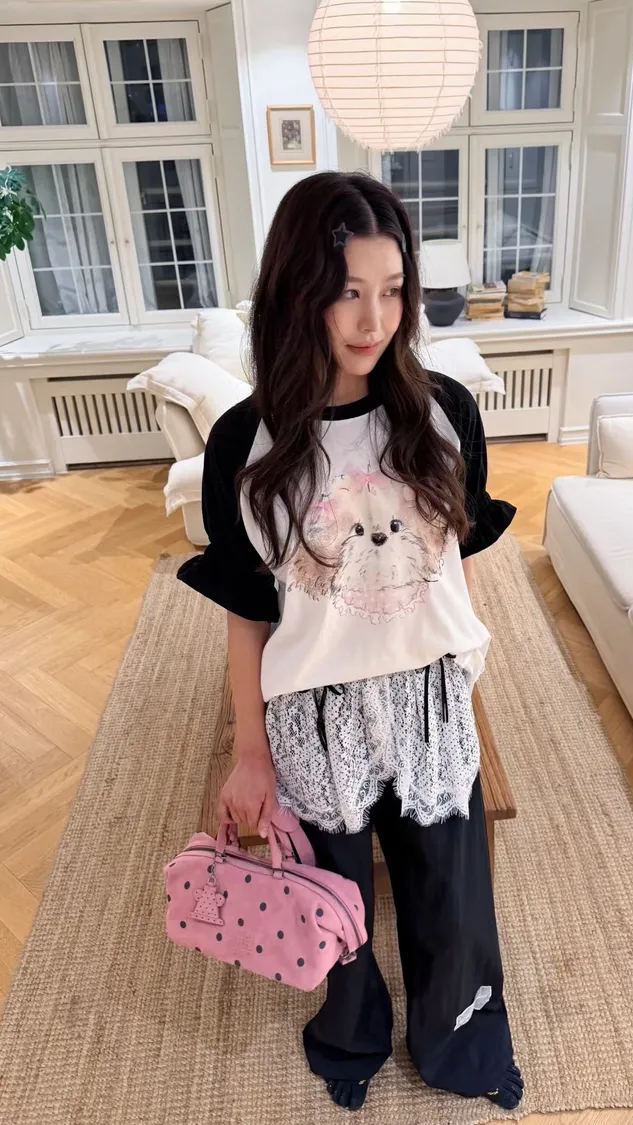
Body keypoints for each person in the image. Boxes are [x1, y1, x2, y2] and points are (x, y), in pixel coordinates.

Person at [176, 171, 523, 1114]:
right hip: (313, 714)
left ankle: (464, 1046)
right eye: (347, 292)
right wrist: (251, 751)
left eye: (393, 289)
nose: (374, 319)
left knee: (453, 896)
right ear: (299, 293)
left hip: (429, 702)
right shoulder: (245, 445)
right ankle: (349, 1036)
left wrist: (463, 673)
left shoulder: (445, 412)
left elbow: (457, 568)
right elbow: (248, 610)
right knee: (332, 903)